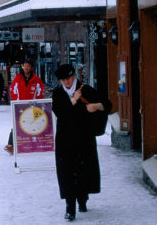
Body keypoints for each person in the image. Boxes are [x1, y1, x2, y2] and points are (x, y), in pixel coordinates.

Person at [52, 64, 111, 221]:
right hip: (65, 140)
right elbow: (59, 111)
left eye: (69, 78)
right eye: (63, 80)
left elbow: (108, 104)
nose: (67, 82)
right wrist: (73, 100)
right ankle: (70, 207)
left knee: (84, 171)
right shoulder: (58, 93)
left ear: (74, 76)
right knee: (67, 173)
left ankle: (83, 200)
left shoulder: (86, 90)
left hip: (84, 138)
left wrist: (96, 105)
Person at [4, 61, 45, 154]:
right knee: (17, 125)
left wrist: (36, 102)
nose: (26, 68)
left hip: (33, 108)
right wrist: (17, 101)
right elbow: (12, 90)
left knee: (34, 125)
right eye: (24, 66)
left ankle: (38, 145)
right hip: (20, 107)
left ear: (31, 67)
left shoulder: (37, 80)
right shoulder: (18, 78)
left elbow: (41, 91)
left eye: (28, 66)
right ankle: (11, 145)